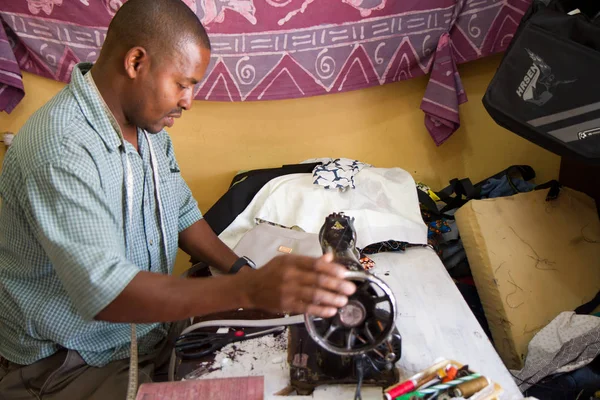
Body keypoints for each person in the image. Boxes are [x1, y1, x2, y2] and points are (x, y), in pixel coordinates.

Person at [0, 0, 356, 398]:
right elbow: (107, 292)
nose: (188, 101)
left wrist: (239, 269)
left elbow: (181, 211)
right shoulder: (64, 149)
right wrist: (251, 290)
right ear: (136, 62)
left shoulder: (148, 132)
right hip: (71, 362)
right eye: (182, 84)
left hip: (141, 335)